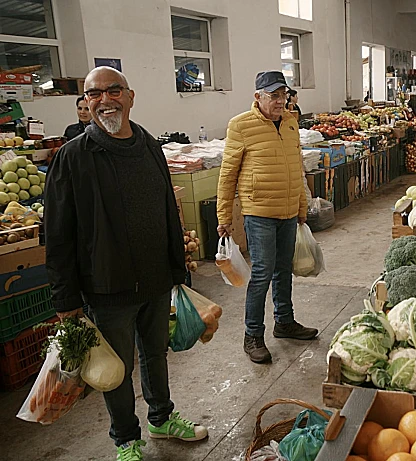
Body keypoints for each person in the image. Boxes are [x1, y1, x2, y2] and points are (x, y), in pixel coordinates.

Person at [45, 66, 207, 461]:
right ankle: (126, 439)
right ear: (86, 103)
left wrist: (176, 267)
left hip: (154, 279)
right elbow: (58, 235)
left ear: (130, 97)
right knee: (113, 369)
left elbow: (167, 208)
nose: (103, 100)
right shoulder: (73, 158)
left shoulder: (149, 145)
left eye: (112, 91)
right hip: (107, 286)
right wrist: (66, 299)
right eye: (93, 94)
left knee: (155, 355)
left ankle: (161, 418)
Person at [216, 70, 318, 364]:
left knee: (284, 270)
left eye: (283, 95)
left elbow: (296, 168)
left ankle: (284, 322)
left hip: (288, 212)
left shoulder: (290, 124)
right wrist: (224, 216)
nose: (279, 101)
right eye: (273, 95)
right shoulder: (241, 126)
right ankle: (253, 336)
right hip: (259, 212)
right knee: (262, 274)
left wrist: (301, 206)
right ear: (257, 97)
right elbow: (227, 175)